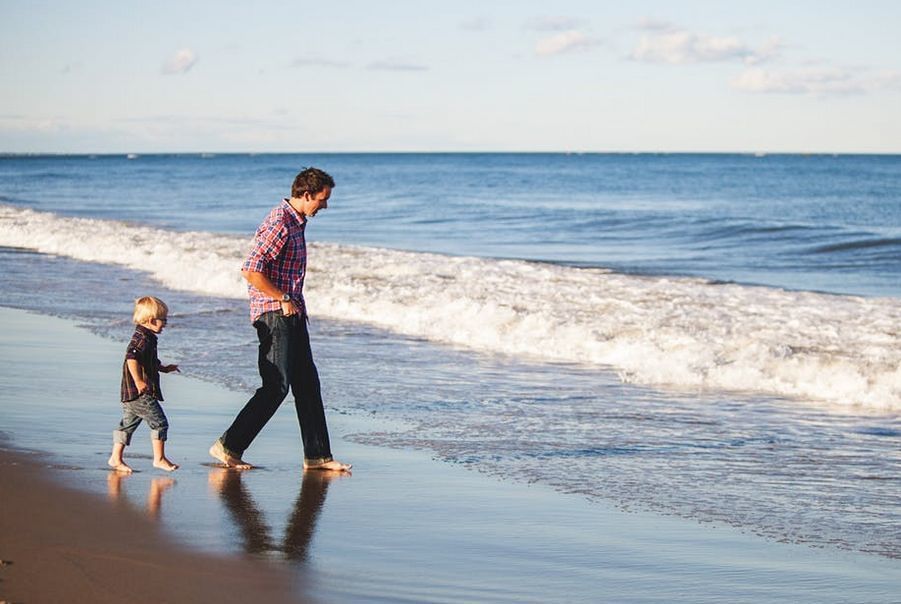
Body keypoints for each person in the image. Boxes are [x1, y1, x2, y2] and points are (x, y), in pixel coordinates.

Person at [210, 167, 351, 472]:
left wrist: (292, 302)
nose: (325, 206)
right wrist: (282, 298)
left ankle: (318, 456)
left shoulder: (296, 222)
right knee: (276, 385)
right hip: (275, 313)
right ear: (306, 194)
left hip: (292, 311)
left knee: (308, 385)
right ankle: (229, 446)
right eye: (322, 200)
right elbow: (250, 269)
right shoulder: (280, 222)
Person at [108, 296, 180, 473]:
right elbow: (131, 358)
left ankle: (115, 458)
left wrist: (163, 368)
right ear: (150, 320)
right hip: (140, 392)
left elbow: (147, 361)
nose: (165, 324)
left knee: (127, 424)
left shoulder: (146, 336)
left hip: (130, 393)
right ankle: (159, 459)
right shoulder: (142, 338)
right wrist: (139, 381)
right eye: (163, 320)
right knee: (160, 423)